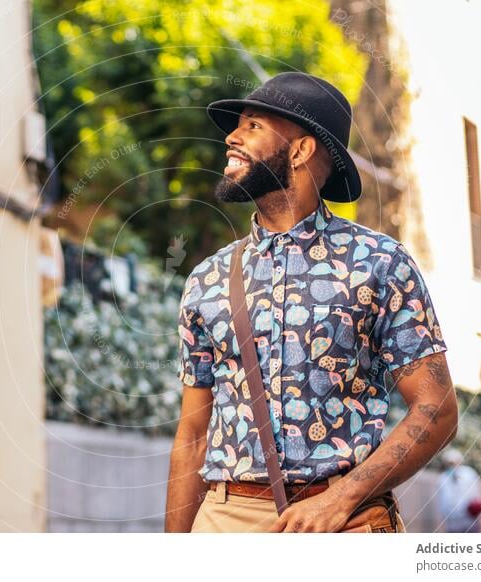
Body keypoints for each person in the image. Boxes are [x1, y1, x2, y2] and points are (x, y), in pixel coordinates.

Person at [164, 72, 458, 533]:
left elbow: (436, 409)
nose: (232, 137)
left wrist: (342, 498)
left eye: (254, 126)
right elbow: (193, 437)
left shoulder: (379, 263)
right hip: (223, 522)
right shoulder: (208, 279)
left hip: (345, 522)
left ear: (300, 150)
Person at [436, 449, 481, 532]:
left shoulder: (469, 473)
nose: (452, 466)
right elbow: (441, 502)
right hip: (452, 525)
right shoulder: (442, 478)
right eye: (449, 463)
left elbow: (480, 494)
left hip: (470, 522)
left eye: (454, 463)